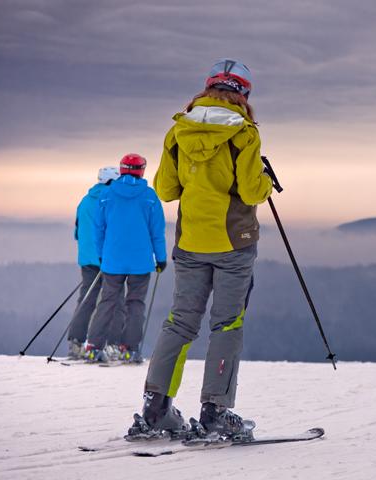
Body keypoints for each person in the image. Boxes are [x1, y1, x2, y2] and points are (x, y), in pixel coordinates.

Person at [128, 59, 272, 440]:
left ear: (208, 87)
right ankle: (215, 412)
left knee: (180, 322)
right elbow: (251, 191)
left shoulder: (178, 131)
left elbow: (165, 189)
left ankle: (155, 409)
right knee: (227, 324)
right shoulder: (244, 134)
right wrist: (265, 180)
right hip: (233, 245)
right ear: (244, 93)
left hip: (190, 243)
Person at [85, 154, 167, 363]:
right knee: (135, 304)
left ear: (122, 169)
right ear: (141, 170)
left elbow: (98, 229)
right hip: (141, 261)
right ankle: (129, 349)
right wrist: (161, 258)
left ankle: (93, 347)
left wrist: (101, 254)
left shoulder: (107, 194)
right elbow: (157, 232)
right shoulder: (149, 196)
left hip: (112, 260)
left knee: (107, 302)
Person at [67, 167, 126, 359]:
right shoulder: (112, 201)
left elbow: (77, 232)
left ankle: (75, 342)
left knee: (87, 300)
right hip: (109, 259)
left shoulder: (84, 201)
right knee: (116, 301)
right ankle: (113, 345)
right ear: (111, 182)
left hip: (87, 260)